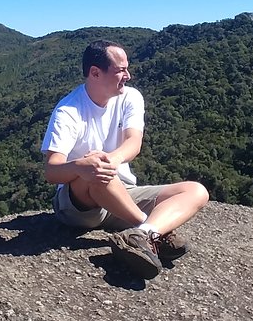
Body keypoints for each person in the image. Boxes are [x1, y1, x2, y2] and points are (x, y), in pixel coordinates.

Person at [41, 40, 210, 279]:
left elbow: (133, 142)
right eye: (120, 70)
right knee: (98, 170)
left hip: (121, 194)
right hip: (80, 204)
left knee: (196, 191)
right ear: (95, 73)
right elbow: (52, 171)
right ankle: (151, 232)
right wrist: (82, 166)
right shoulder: (68, 111)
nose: (128, 75)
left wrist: (110, 159)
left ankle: (142, 234)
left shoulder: (131, 98)